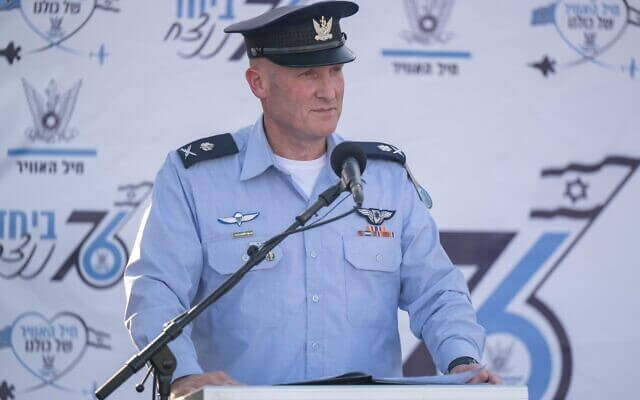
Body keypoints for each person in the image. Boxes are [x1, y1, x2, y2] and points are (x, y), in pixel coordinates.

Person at [123, 1, 499, 398]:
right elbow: (155, 290)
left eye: (336, 71)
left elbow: (437, 291)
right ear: (258, 84)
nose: (329, 91)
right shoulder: (195, 177)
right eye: (308, 74)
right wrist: (183, 375)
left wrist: (462, 362)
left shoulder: (384, 177)